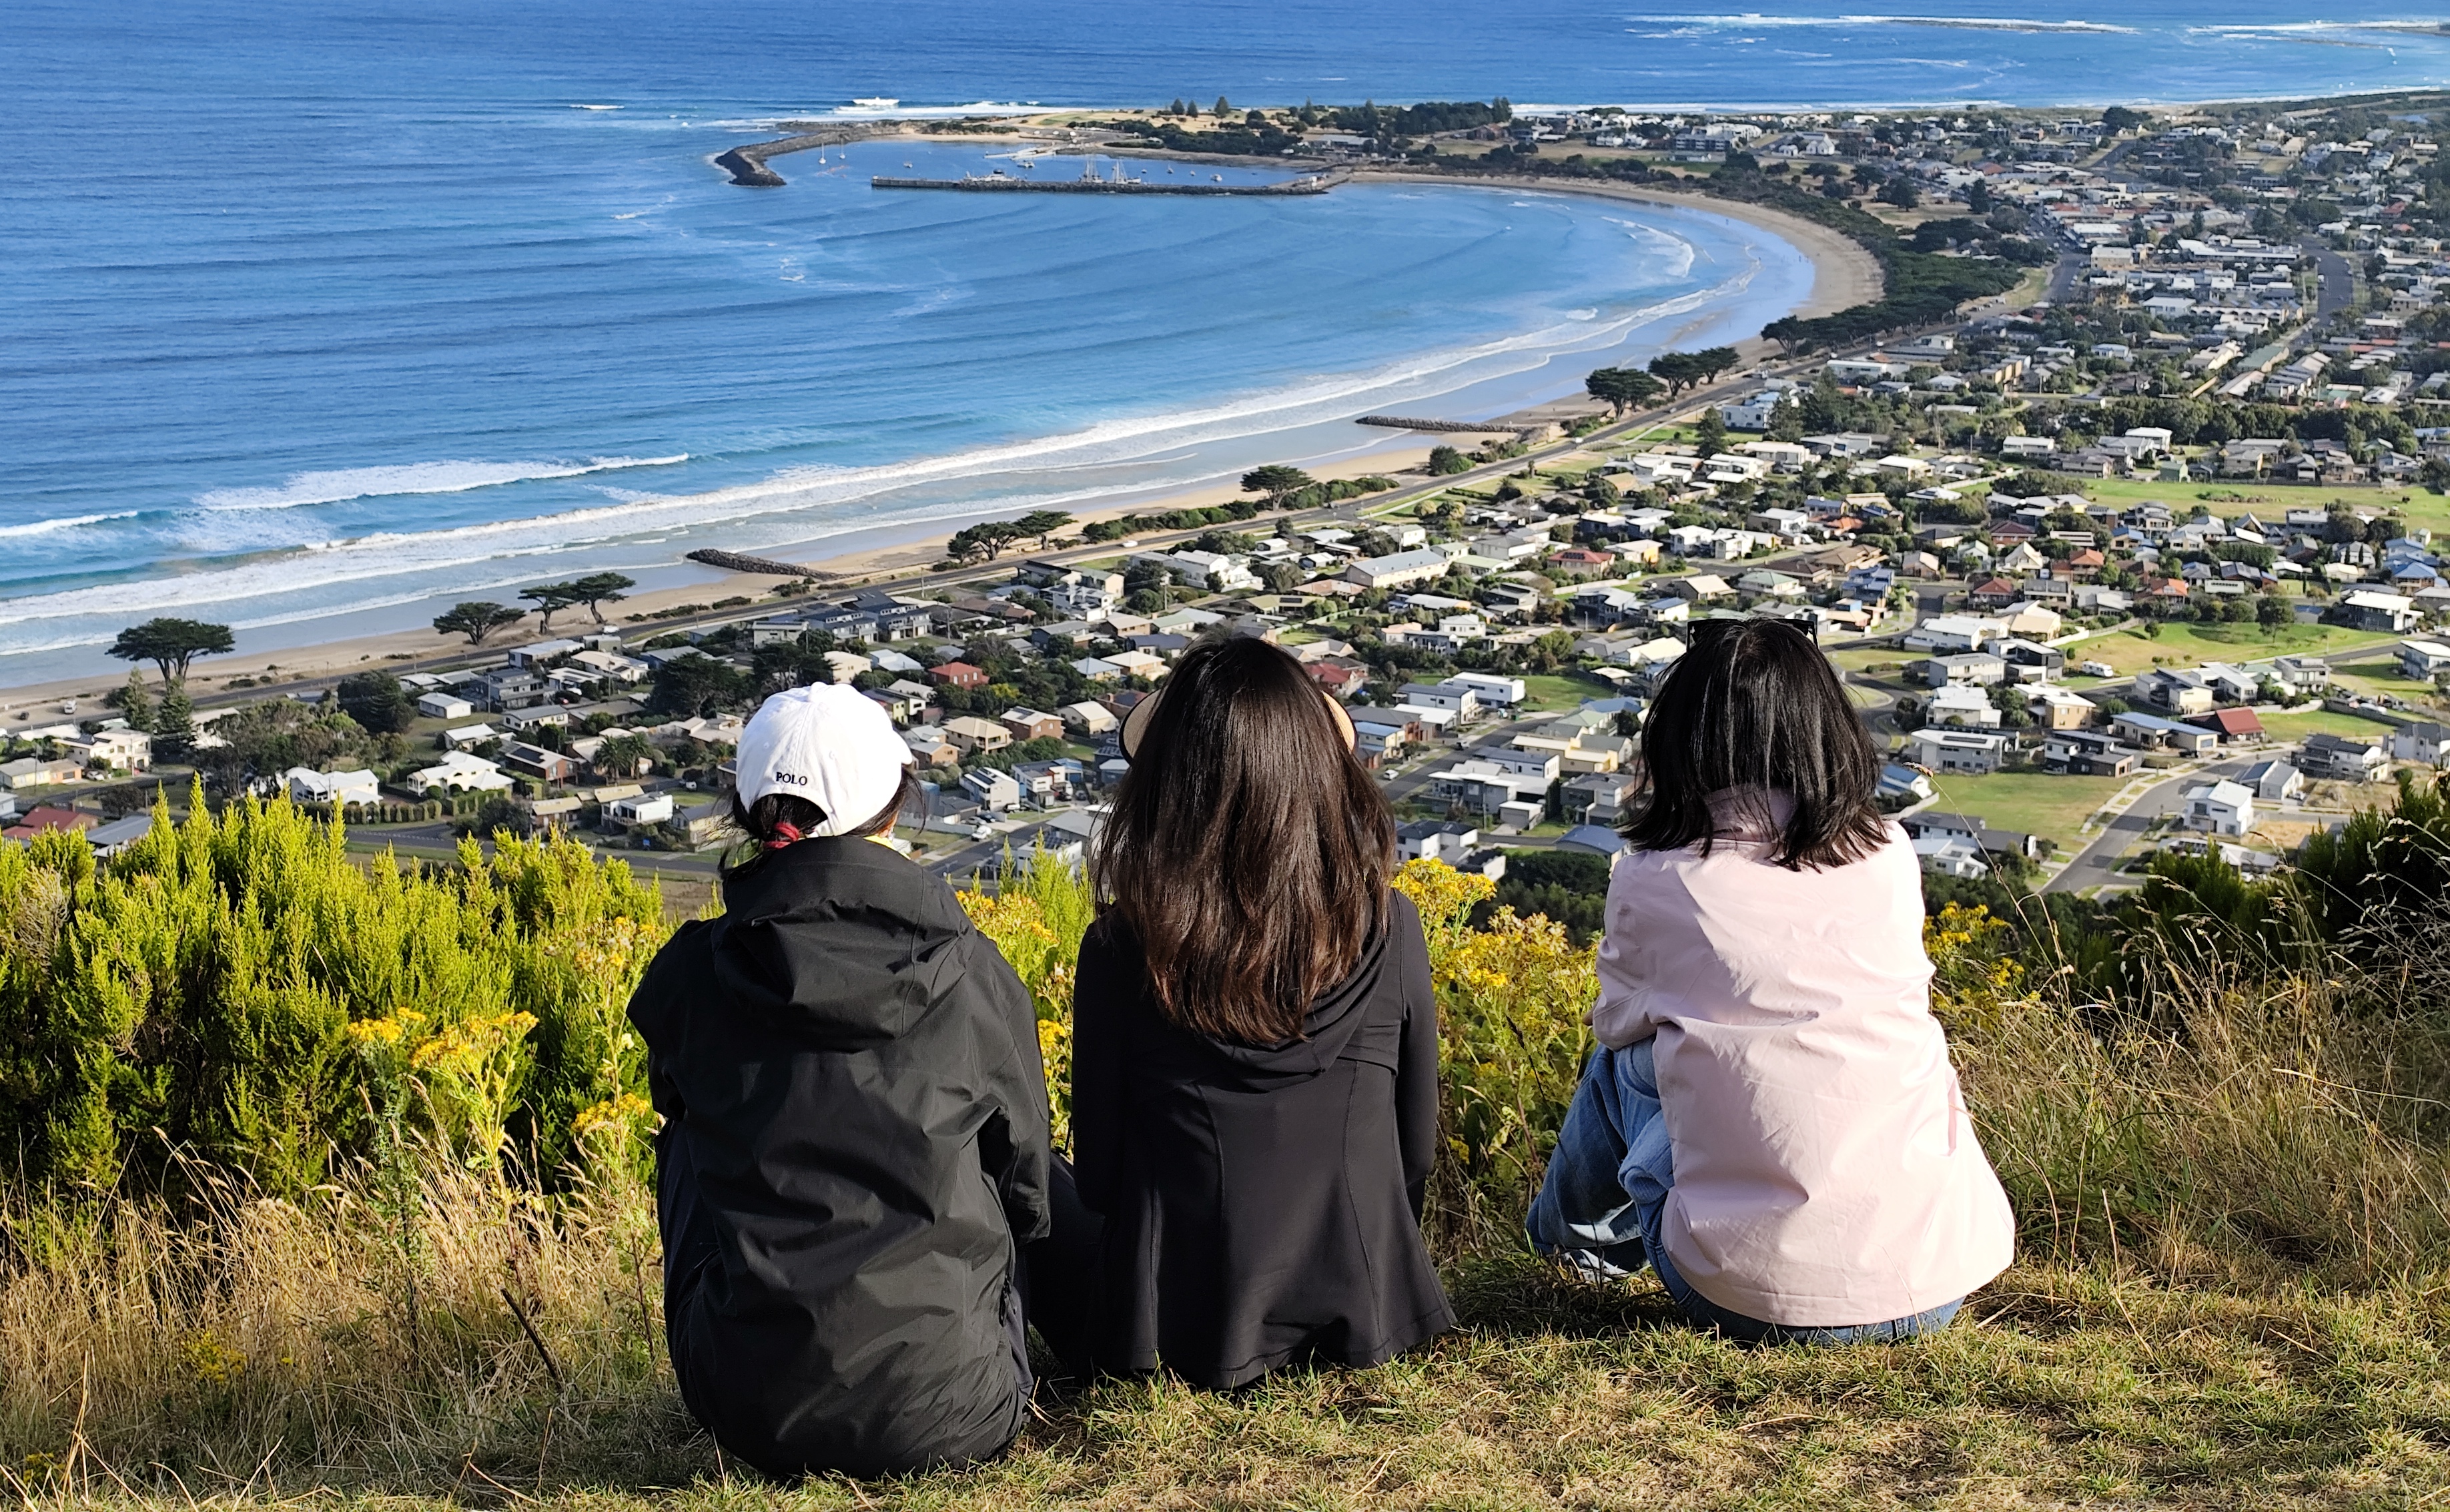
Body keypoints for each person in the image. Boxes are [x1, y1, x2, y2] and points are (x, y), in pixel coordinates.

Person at [1525, 615, 2016, 1343]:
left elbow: (1618, 1022)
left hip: (1748, 1297)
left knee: (1624, 1063)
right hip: (1937, 1276)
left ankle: (1575, 1258)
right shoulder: (1887, 854)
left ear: (1682, 739)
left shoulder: (1660, 879)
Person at [627, 682, 1054, 1477]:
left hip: (747, 1413)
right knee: (1000, 1152)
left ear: (748, 813)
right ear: (897, 808)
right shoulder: (971, 973)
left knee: (685, 1138)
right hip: (960, 1411)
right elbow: (1027, 1187)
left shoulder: (693, 970)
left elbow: (685, 1119)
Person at [1048, 637, 1454, 1389]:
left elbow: (1100, 1180)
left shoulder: (1120, 951)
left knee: (1035, 1179)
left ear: (1170, 786)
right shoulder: (1391, 926)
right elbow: (1415, 1152)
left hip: (1177, 1328)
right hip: (1368, 1303)